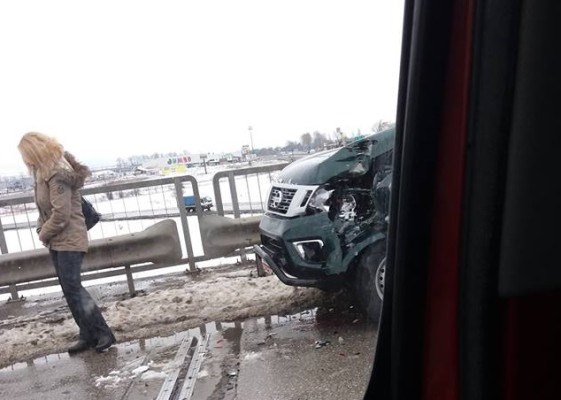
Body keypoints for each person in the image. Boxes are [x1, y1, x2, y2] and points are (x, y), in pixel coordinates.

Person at [18, 132, 116, 354]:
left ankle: (103, 332)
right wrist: (41, 228)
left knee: (73, 286)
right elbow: (45, 209)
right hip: (57, 239)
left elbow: (61, 214)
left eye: (26, 154)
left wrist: (44, 233)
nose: (25, 160)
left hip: (70, 237)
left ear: (35, 151)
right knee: (68, 288)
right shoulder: (42, 173)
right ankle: (87, 335)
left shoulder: (58, 174)